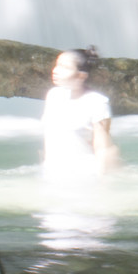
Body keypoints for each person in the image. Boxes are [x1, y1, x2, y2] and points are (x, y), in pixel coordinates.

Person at [41, 48, 120, 179]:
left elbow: (103, 148)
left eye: (64, 67)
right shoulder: (53, 96)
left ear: (81, 76)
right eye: (57, 65)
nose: (55, 70)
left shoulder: (97, 102)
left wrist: (104, 183)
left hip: (83, 176)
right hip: (52, 173)